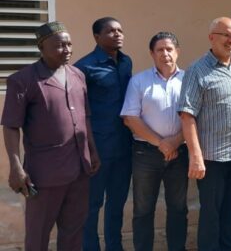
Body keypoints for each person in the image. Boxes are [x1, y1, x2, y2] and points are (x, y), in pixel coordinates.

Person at [2, 22, 99, 251]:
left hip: (79, 169)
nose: (66, 50)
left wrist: (92, 151)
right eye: (58, 46)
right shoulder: (22, 80)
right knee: (38, 234)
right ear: (42, 48)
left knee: (74, 231)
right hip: (44, 175)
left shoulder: (78, 75)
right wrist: (16, 167)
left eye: (69, 44)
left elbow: (85, 117)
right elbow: (10, 126)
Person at [178, 18, 231, 251]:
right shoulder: (198, 70)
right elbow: (187, 115)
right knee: (211, 215)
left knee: (230, 213)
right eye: (226, 35)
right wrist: (195, 156)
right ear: (211, 37)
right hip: (212, 158)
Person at [120, 32, 188, 251]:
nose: (165, 54)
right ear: (152, 54)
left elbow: (197, 117)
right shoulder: (139, 81)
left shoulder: (189, 80)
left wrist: (175, 142)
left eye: (169, 49)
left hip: (180, 153)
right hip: (146, 154)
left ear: (177, 52)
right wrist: (162, 143)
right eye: (160, 50)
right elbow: (130, 118)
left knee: (178, 208)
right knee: (143, 209)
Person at [76, 17, 133, 251]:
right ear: (97, 37)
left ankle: (114, 246)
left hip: (124, 147)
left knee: (117, 204)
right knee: (92, 205)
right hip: (97, 148)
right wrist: (88, 148)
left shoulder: (126, 62)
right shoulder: (84, 68)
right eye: (110, 31)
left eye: (120, 30)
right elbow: (79, 112)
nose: (117, 34)